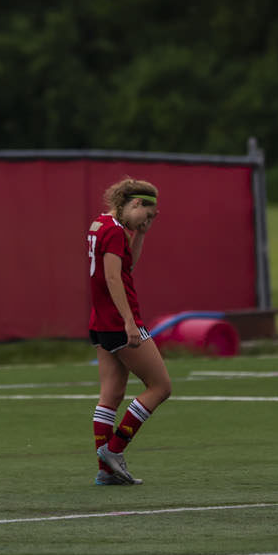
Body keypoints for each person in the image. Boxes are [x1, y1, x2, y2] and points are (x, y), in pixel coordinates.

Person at [87, 178, 172, 486]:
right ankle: (115, 450)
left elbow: (127, 266)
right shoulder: (112, 231)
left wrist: (141, 235)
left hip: (100, 322)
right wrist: (129, 322)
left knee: (111, 394)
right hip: (118, 321)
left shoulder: (102, 224)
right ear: (135, 203)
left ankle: (105, 471)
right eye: (146, 215)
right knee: (160, 387)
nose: (146, 221)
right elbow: (113, 279)